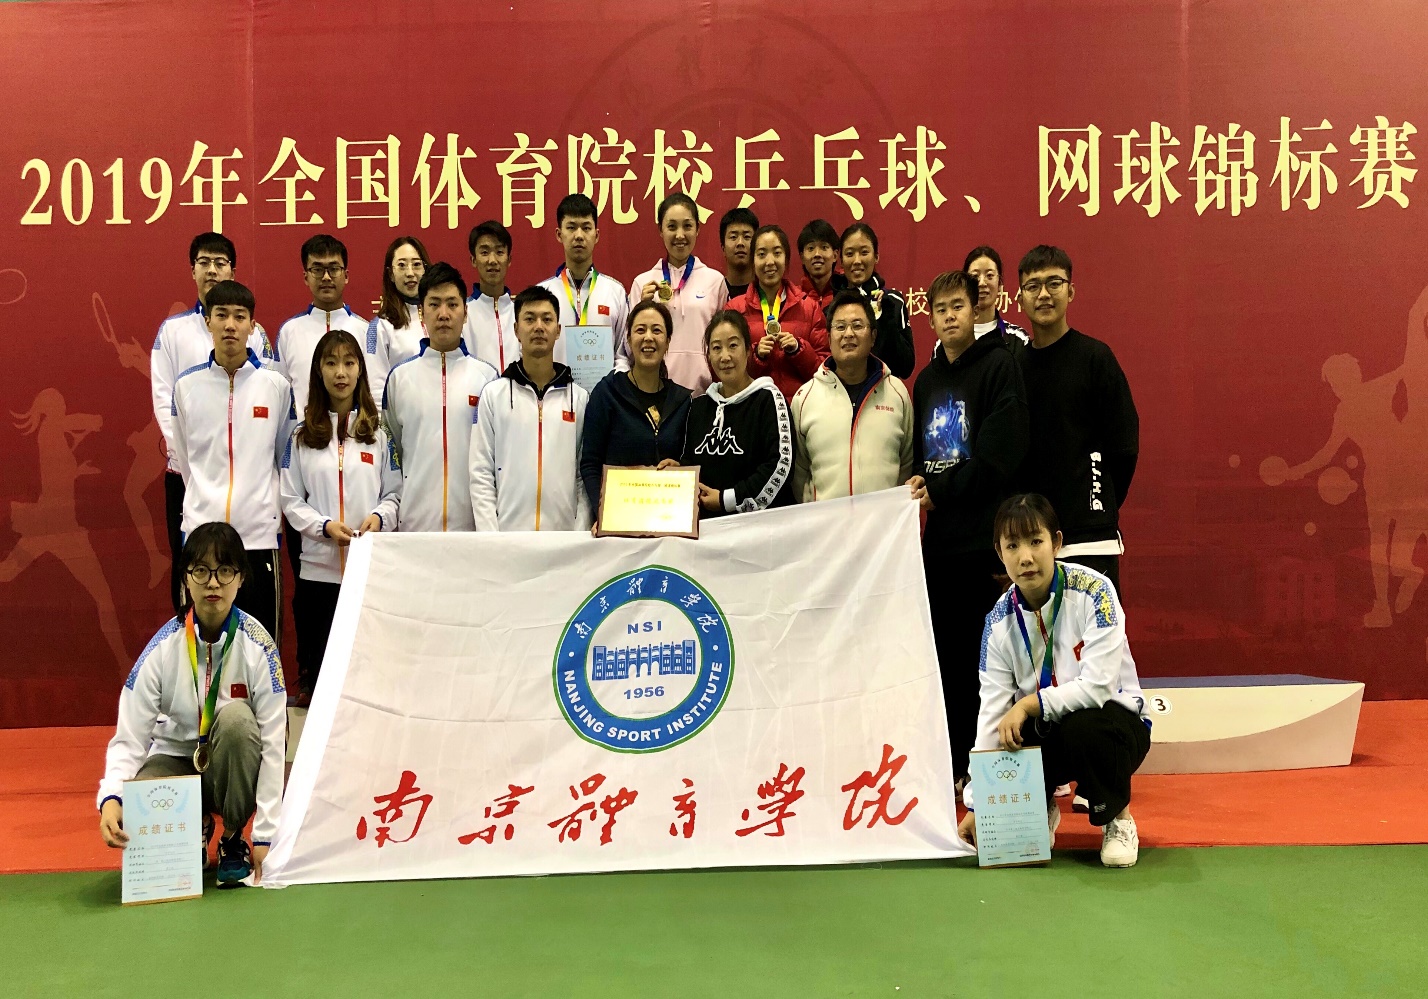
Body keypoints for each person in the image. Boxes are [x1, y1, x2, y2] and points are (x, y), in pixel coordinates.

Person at [957, 494, 1151, 868]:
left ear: (1056, 543)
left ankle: (1118, 819)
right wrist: (977, 805)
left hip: (1114, 724)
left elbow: (1098, 687)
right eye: (1013, 546)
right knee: (1010, 730)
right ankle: (1037, 806)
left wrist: (1030, 703)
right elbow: (991, 714)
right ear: (999, 553)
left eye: (1035, 541)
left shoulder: (1095, 591)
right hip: (1047, 731)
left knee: (1086, 724)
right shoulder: (997, 622)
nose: (1025, 557)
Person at [97, 522, 287, 887]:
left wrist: (266, 835)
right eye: (201, 570)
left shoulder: (259, 648)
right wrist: (111, 797)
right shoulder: (162, 648)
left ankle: (233, 836)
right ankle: (194, 825)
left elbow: (274, 744)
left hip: (229, 768)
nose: (213, 583)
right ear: (186, 578)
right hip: (176, 763)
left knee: (237, 721)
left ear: (241, 578)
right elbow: (130, 736)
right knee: (140, 797)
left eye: (224, 571)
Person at [907, 271, 1029, 785]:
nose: (950, 316)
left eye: (958, 306)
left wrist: (944, 490)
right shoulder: (926, 381)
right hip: (940, 548)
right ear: (931, 318)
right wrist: (922, 481)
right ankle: (957, 764)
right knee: (948, 663)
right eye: (940, 309)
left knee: (992, 665)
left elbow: (1000, 457)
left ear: (976, 310)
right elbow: (924, 457)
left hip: (984, 545)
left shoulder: (1000, 366)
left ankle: (996, 768)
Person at [151, 232, 273, 614]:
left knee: (248, 587)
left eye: (220, 263)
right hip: (189, 478)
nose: (212, 270)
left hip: (247, 489)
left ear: (232, 271)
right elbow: (165, 400)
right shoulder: (173, 331)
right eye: (204, 262)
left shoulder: (257, 335)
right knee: (193, 574)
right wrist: (198, 470)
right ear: (193, 271)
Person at [280, 330, 401, 704]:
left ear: (360, 370)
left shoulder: (378, 435)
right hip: (318, 576)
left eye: (349, 362)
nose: (340, 372)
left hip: (368, 573)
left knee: (369, 679)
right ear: (318, 371)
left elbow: (395, 495)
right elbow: (290, 499)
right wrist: (323, 526)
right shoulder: (301, 437)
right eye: (331, 363)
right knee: (322, 683)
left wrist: (379, 518)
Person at [171, 280, 293, 640]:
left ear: (252, 326)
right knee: (198, 649)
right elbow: (186, 460)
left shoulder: (275, 386)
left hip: (257, 538)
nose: (230, 325)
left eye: (240, 317)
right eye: (221, 315)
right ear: (207, 321)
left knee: (261, 647)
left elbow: (283, 457)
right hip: (200, 537)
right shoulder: (186, 387)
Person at [1015, 245, 1139, 594]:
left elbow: (1124, 448)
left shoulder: (1096, 358)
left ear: (1070, 291)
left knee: (1095, 633)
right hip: (1033, 544)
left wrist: (1097, 501)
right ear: (1020, 299)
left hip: (1091, 540)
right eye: (1033, 286)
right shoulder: (1014, 368)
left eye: (1054, 283)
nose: (1044, 294)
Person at [383, 262, 499, 532]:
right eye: (434, 304)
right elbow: (392, 452)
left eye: (452, 304)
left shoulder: (488, 379)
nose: (443, 314)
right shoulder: (400, 379)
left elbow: (496, 458)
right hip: (415, 528)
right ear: (421, 313)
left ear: (465, 312)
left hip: (473, 529)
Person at [470, 286, 591, 532]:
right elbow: (481, 473)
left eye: (547, 319)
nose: (538, 327)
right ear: (516, 329)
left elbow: (583, 475)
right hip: (507, 539)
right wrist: (491, 538)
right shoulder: (494, 395)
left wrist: (577, 536)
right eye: (529, 319)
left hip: (563, 540)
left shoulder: (579, 399)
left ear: (558, 330)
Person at [791, 291, 913, 501]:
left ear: (873, 336)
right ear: (828, 338)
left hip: (884, 520)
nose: (848, 334)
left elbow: (907, 463)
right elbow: (800, 471)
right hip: (827, 521)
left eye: (857, 326)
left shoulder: (897, 393)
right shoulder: (804, 398)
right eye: (840, 327)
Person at [580, 300, 693, 513]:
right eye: (640, 330)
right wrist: (602, 513)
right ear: (629, 339)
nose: (648, 337)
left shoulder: (682, 401)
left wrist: (681, 468)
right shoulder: (607, 393)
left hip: (668, 515)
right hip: (619, 517)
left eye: (657, 330)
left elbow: (689, 462)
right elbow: (590, 464)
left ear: (668, 341)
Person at [681, 310, 793, 515]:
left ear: (748, 350)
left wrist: (726, 500)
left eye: (733, 345)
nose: (725, 357)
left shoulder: (768, 400)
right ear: (708, 355)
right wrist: (678, 474)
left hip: (756, 526)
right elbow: (690, 462)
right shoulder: (698, 407)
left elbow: (780, 466)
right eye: (716, 348)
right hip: (706, 527)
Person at [627, 193, 729, 393]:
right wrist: (643, 307)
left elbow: (724, 340)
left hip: (704, 392)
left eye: (687, 226)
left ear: (698, 229)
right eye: (672, 226)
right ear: (661, 230)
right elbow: (629, 346)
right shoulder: (642, 283)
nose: (680, 235)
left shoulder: (715, 281)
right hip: (654, 391)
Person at [275, 234, 371, 417]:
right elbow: (280, 396)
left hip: (356, 433)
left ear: (346, 276)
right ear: (306, 277)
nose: (326, 277)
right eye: (317, 269)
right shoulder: (289, 331)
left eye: (334, 269)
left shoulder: (367, 331)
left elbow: (373, 391)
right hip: (304, 433)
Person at [731, 225, 828, 403]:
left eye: (777, 253)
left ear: (787, 259)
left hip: (799, 409)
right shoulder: (735, 309)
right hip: (752, 408)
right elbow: (726, 368)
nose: (770, 262)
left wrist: (799, 350)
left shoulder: (810, 307)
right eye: (761, 254)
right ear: (753, 261)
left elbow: (826, 370)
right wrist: (756, 356)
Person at [538, 193, 630, 369]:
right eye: (571, 227)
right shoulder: (542, 294)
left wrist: (610, 384)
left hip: (605, 387)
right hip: (555, 386)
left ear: (596, 235)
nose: (579, 235)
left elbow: (623, 355)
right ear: (559, 234)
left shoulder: (615, 292)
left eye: (586, 228)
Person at [839, 223, 914, 379]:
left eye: (864, 252)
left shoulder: (892, 301)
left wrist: (886, 319)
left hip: (884, 390)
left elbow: (905, 367)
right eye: (849, 253)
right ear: (841, 260)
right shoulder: (833, 305)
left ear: (876, 256)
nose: (857, 260)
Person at [366, 235, 430, 405]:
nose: (410, 273)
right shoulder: (381, 326)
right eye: (401, 265)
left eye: (416, 264)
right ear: (391, 274)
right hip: (402, 419)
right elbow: (376, 390)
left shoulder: (443, 318)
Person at [463, 220, 519, 373]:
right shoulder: (461, 313)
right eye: (484, 252)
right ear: (473, 260)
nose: (492, 260)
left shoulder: (522, 313)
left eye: (499, 252)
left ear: (509, 260)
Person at [797, 219, 842, 313]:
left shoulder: (847, 292)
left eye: (824, 247)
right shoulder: (794, 298)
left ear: (835, 255)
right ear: (802, 257)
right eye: (811, 248)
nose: (817, 254)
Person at [719, 206, 759, 299]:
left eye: (747, 237)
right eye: (733, 237)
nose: (740, 243)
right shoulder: (715, 291)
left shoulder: (767, 291)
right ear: (723, 248)